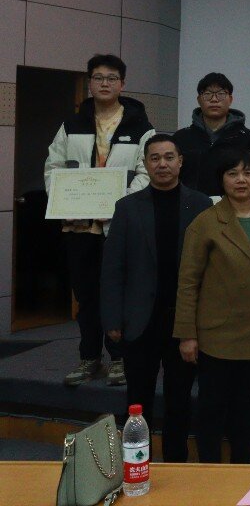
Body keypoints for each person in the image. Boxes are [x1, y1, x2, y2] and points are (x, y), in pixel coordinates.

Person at [174, 152, 250, 464]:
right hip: (216, 336)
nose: (241, 180)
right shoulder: (206, 223)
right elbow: (188, 282)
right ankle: (210, 474)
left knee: (244, 411)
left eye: (248, 173)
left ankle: (243, 473)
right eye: (233, 173)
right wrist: (187, 334)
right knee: (212, 410)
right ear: (221, 180)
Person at [100, 134, 212, 461]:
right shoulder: (127, 207)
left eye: (169, 157)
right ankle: (138, 466)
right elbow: (113, 268)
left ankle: (177, 465)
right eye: (155, 158)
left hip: (184, 321)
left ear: (180, 162)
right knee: (138, 401)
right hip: (139, 321)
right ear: (146, 164)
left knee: (180, 400)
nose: (162, 164)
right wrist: (112, 319)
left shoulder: (201, 205)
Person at [46, 53, 154, 387]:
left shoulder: (141, 127)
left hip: (119, 226)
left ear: (122, 84)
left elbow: (146, 172)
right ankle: (89, 357)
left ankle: (120, 358)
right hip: (79, 225)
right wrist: (64, 200)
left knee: (119, 293)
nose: (104, 83)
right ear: (89, 83)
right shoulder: (72, 124)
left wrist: (119, 206)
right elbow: (53, 167)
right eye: (98, 77)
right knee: (86, 295)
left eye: (111, 78)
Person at [174, 72, 250, 197]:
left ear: (230, 99)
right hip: (191, 206)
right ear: (199, 100)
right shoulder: (181, 137)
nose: (214, 99)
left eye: (221, 94)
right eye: (207, 94)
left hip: (232, 205)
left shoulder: (246, 138)